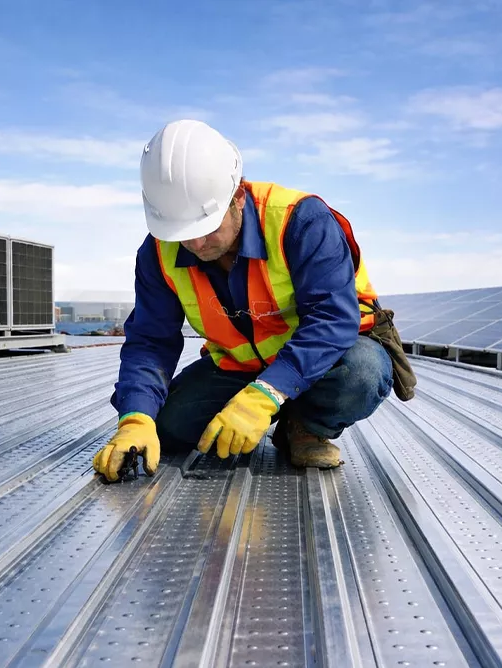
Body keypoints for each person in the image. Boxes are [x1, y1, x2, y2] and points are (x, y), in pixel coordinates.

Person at [92, 119, 411, 482]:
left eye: (207, 227)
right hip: (239, 367)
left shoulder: (301, 222)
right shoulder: (158, 253)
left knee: (363, 374)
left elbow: (332, 318)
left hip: (326, 360)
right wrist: (135, 418)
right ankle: (246, 410)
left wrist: (265, 396)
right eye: (183, 233)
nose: (196, 244)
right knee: (167, 425)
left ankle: (303, 427)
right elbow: (151, 341)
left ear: (238, 197)